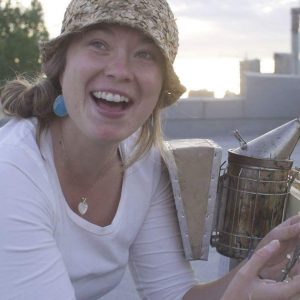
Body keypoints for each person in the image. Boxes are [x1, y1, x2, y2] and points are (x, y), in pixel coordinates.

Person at [0, 0, 300, 299]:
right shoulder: (12, 171)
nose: (120, 71)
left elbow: (173, 294)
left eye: (144, 54)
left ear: (159, 89)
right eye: (99, 44)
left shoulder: (143, 162)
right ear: (61, 67)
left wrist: (260, 266)